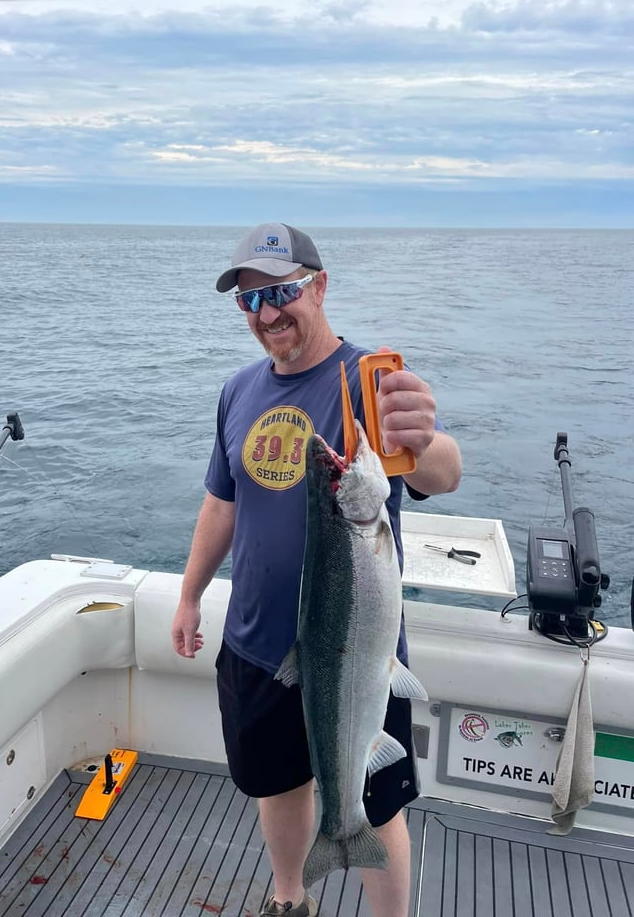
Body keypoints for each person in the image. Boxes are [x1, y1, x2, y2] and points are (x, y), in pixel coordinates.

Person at [171, 222, 462, 917]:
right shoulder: (237, 391)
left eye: (283, 292)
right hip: (257, 647)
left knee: (372, 797)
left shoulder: (369, 382)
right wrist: (188, 597)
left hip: (359, 653)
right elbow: (221, 505)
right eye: (251, 302)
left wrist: (421, 441)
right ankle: (288, 897)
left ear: (320, 284)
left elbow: (443, 472)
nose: (269, 314)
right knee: (277, 788)